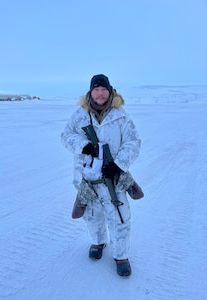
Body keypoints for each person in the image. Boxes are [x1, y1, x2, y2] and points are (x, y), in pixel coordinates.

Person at [61, 74, 141, 277]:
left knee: (120, 216)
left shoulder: (121, 115)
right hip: (87, 178)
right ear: (90, 92)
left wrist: (117, 165)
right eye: (96, 89)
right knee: (92, 214)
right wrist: (83, 145)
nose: (99, 93)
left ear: (110, 91)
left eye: (103, 89)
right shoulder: (80, 115)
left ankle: (121, 255)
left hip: (114, 177)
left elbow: (133, 142)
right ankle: (98, 242)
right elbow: (66, 135)